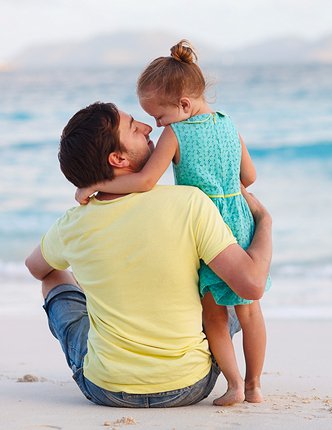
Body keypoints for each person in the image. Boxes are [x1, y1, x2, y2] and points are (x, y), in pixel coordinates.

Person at [24, 102, 272, 408]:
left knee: (54, 278)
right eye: (133, 127)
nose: (147, 127)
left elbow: (36, 268)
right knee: (227, 294)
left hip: (107, 389)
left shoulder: (74, 223)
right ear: (118, 158)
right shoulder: (190, 203)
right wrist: (265, 222)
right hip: (191, 384)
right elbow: (253, 285)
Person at [75, 40, 270, 406]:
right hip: (239, 218)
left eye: (159, 117)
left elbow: (146, 181)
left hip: (206, 223)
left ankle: (235, 385)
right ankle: (257, 385)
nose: (155, 124)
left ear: (183, 105)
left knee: (213, 314)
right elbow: (250, 176)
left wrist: (99, 183)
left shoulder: (176, 133)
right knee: (249, 311)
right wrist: (229, 189)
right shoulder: (229, 124)